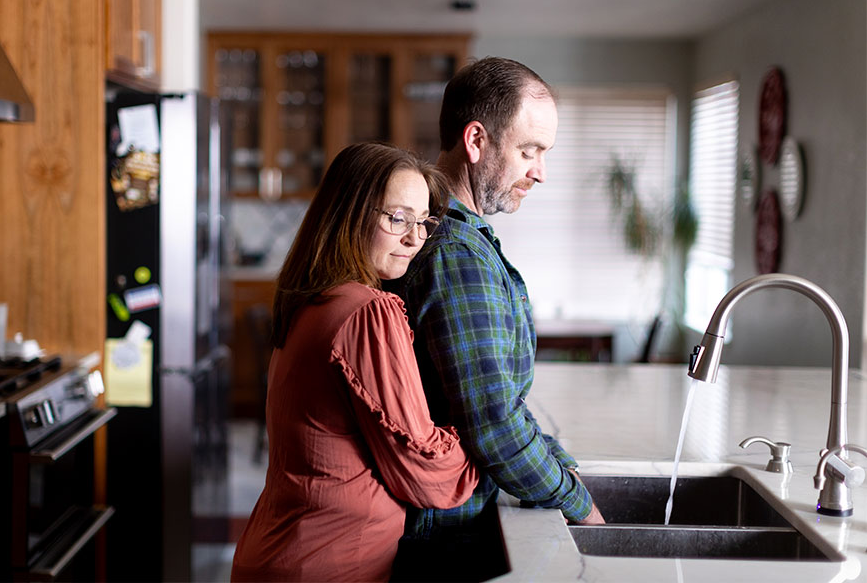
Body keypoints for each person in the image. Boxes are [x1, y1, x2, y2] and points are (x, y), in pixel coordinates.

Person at [388, 57, 604, 580]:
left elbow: (491, 399)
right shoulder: (456, 252)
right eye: (529, 150)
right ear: (477, 140)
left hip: (445, 521)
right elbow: (493, 425)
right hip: (446, 536)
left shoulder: (453, 235)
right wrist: (582, 508)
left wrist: (552, 458)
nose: (540, 171)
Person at [231, 142, 479, 583]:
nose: (414, 239)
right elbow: (424, 474)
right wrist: (487, 446)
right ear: (350, 215)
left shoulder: (312, 299)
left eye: (423, 222)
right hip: (331, 563)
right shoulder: (367, 312)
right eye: (397, 218)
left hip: (279, 549)